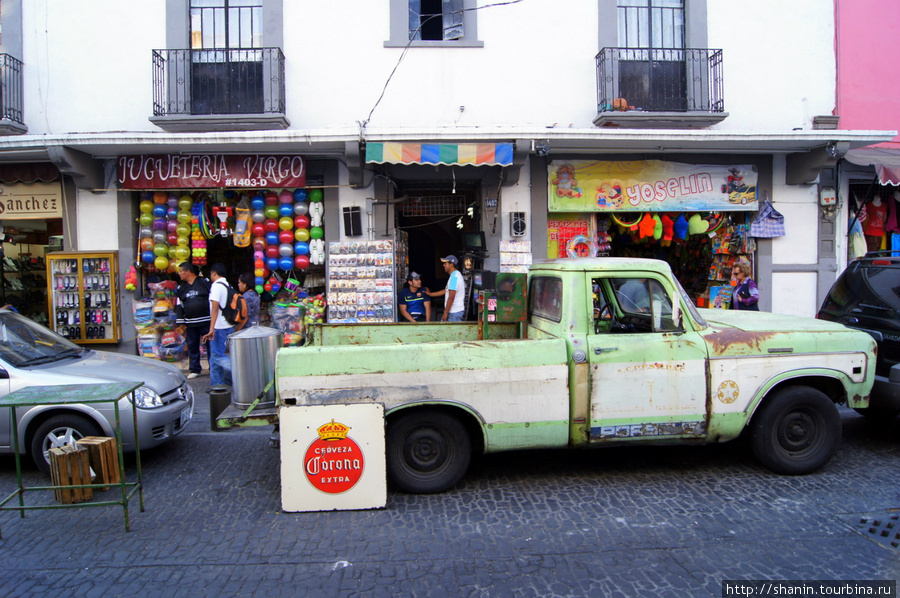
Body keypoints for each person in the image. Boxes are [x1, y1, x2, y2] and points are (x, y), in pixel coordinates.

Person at [175, 262, 211, 380]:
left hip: (206, 321)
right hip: (191, 322)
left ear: (188, 271)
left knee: (210, 345)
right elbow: (179, 305)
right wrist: (181, 322)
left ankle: (213, 368)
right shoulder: (181, 288)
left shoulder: (204, 282)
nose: (179, 273)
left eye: (181, 271)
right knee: (192, 346)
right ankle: (195, 369)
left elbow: (213, 299)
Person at [201, 263, 234, 387]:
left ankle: (238, 371)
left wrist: (211, 328)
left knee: (217, 356)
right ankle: (218, 384)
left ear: (214, 273)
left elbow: (214, 308)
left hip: (219, 326)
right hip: (228, 325)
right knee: (215, 359)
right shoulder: (227, 285)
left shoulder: (216, 286)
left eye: (211, 274)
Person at [428, 255, 466, 322]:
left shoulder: (454, 278)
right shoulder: (455, 275)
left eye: (445, 263)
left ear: (451, 264)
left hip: (454, 312)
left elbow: (451, 297)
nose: (443, 265)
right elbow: (446, 291)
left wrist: (445, 313)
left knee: (451, 332)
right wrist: (430, 294)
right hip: (453, 311)